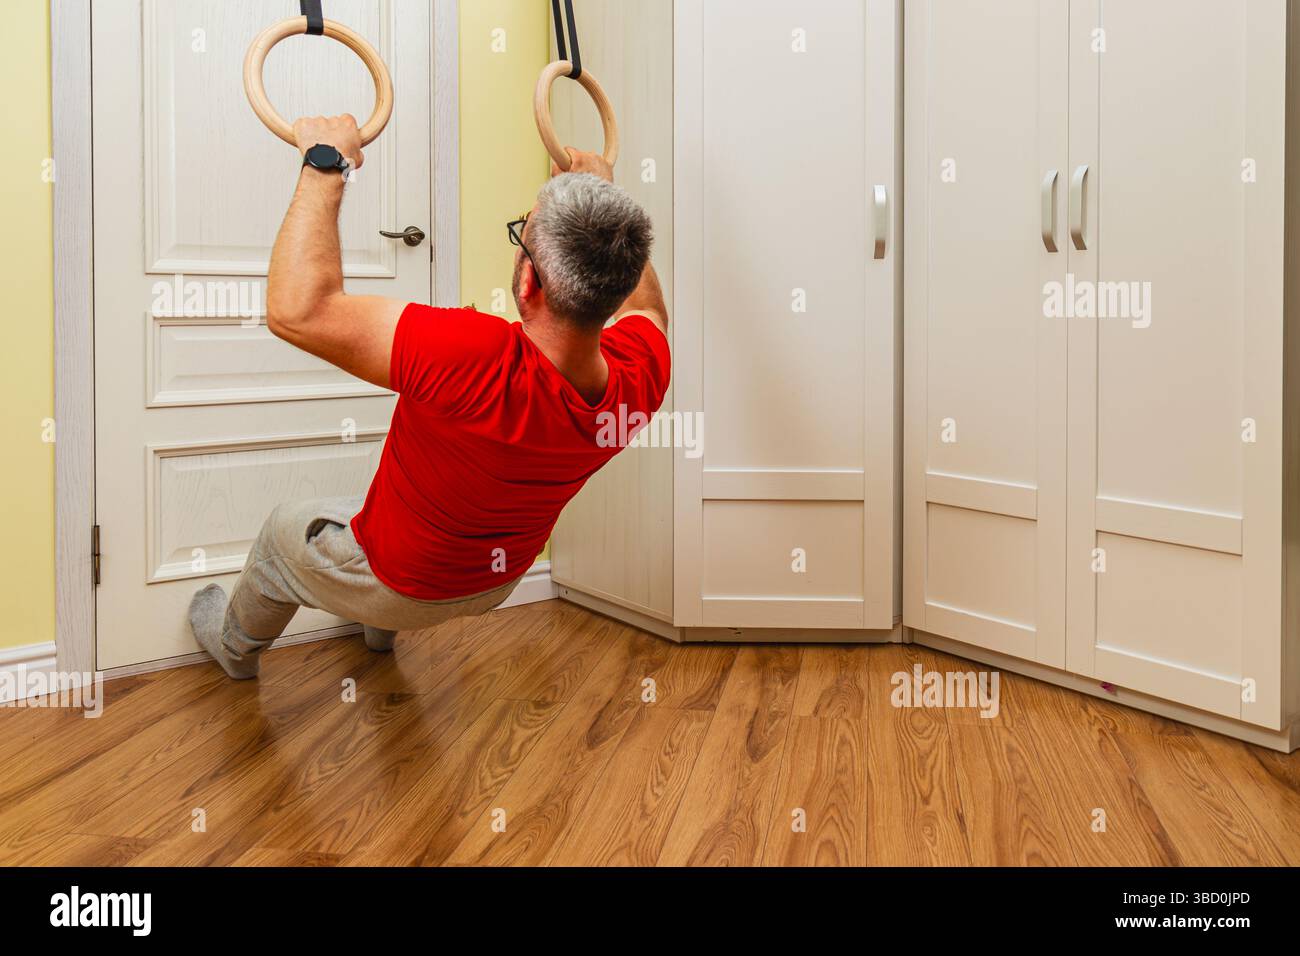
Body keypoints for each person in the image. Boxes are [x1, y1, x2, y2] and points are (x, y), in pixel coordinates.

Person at [188, 114, 669, 679]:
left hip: (401, 584)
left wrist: (326, 162)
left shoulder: (471, 355)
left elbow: (297, 310)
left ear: (527, 282)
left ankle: (235, 649)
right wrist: (602, 198)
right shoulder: (643, 374)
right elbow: (649, 310)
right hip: (496, 584)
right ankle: (377, 632)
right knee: (373, 506)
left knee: (285, 526)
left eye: (522, 233)